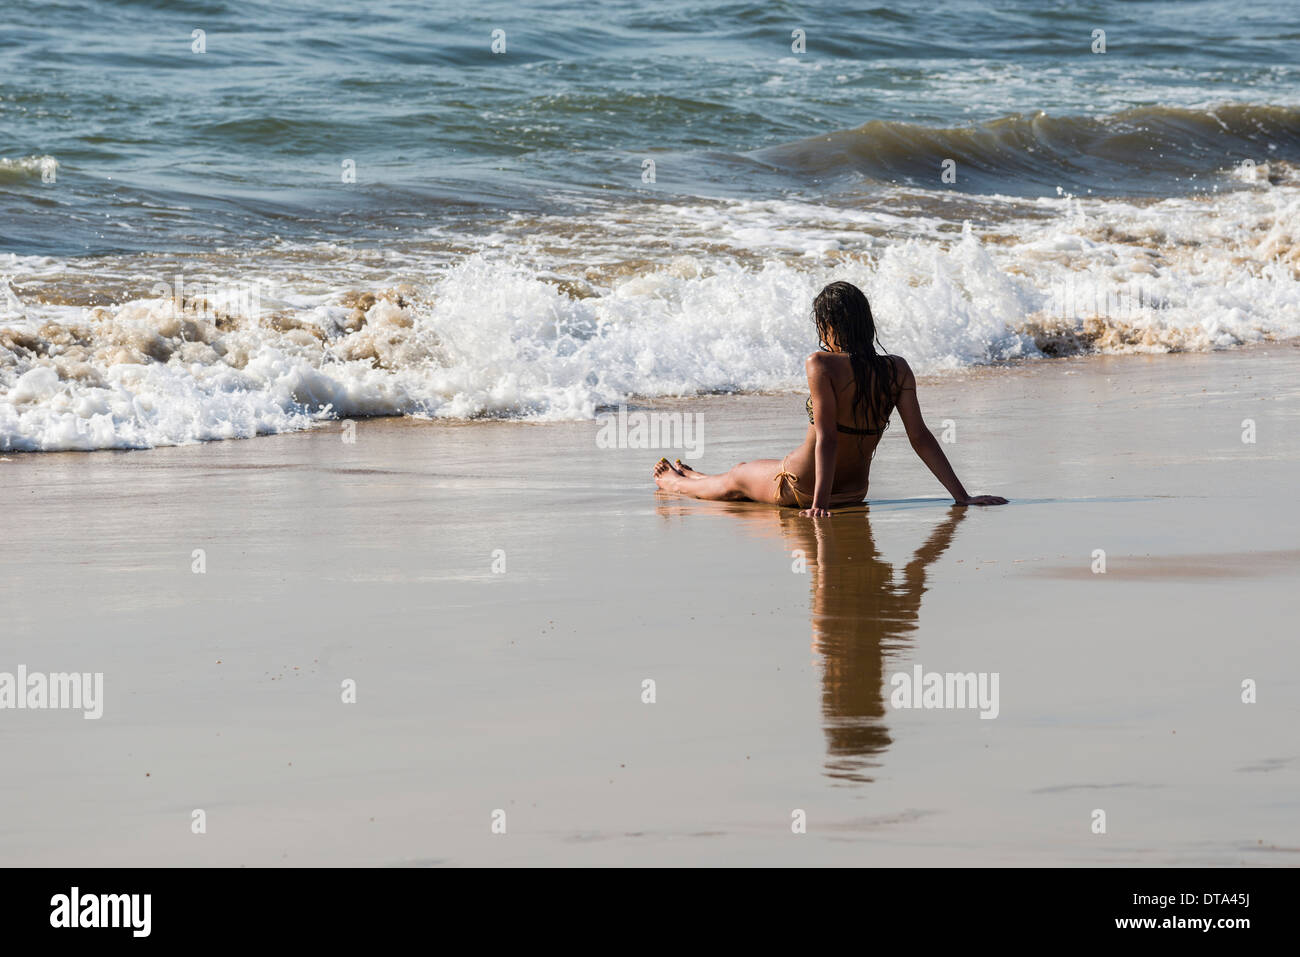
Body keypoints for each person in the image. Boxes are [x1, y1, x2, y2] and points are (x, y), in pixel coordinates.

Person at [652, 280, 1008, 515]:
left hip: (803, 487)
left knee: (739, 476)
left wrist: (818, 504)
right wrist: (962, 496)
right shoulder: (897, 368)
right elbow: (921, 437)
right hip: (854, 491)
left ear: (828, 325)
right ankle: (694, 475)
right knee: (742, 472)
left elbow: (828, 437)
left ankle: (675, 483)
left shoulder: (820, 363)